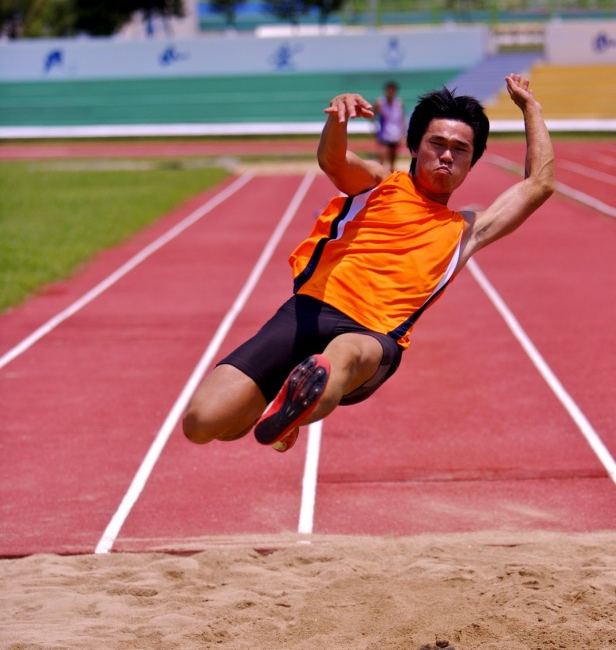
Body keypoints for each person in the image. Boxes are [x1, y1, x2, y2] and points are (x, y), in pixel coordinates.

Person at [182, 74, 554, 454]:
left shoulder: (468, 230)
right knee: (200, 423)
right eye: (437, 143)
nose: (446, 155)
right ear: (413, 146)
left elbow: (538, 185)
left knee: (342, 355)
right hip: (307, 312)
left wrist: (532, 109)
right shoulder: (380, 183)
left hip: (374, 338)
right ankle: (282, 409)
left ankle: (301, 401)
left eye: (460, 150)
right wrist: (337, 119)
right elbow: (333, 160)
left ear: (472, 162)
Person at [373, 80, 405, 171]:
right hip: (384, 134)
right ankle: (379, 179)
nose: (390, 92)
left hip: (396, 134)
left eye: (392, 90)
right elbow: (373, 115)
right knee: (382, 158)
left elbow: (401, 119)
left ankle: (391, 178)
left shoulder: (399, 103)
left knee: (393, 160)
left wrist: (402, 133)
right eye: (389, 90)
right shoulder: (380, 102)